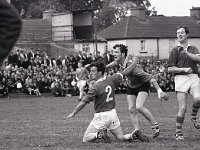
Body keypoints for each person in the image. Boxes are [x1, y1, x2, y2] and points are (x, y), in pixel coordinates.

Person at [67, 62, 150, 143]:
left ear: (99, 72)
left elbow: (83, 102)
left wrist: (74, 112)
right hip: (113, 114)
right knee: (120, 137)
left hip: (102, 116)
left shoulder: (95, 87)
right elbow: (124, 73)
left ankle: (99, 135)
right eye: (91, 71)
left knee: (85, 139)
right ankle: (134, 135)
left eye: (93, 71)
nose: (91, 73)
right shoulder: (112, 79)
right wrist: (134, 63)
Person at [106, 44, 169, 139]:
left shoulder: (134, 67)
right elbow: (111, 65)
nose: (113, 54)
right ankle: (137, 132)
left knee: (139, 107)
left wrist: (159, 91)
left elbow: (149, 77)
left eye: (116, 52)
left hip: (142, 85)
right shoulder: (119, 62)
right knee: (131, 109)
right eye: (113, 52)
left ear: (122, 54)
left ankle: (155, 126)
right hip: (131, 86)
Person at [168, 25, 200, 140]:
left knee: (198, 98)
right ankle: (178, 132)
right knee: (183, 108)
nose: (179, 35)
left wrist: (186, 53)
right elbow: (170, 69)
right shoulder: (174, 50)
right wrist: (183, 69)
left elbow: (198, 59)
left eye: (182, 32)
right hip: (180, 78)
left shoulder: (193, 48)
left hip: (193, 77)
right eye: (178, 33)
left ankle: (193, 116)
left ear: (187, 34)